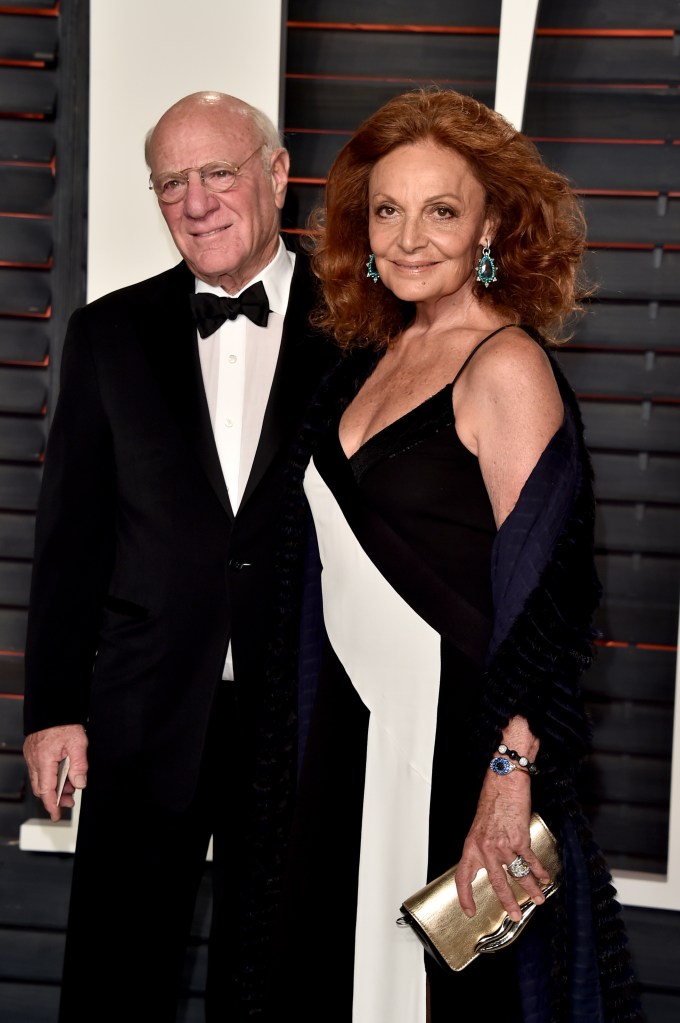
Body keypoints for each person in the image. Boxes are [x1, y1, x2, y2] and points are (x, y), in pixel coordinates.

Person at [263, 88, 645, 1022]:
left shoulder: (505, 363)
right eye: (387, 210)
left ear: (491, 225)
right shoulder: (367, 362)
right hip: (348, 732)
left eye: (441, 210)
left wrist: (509, 780)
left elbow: (549, 598)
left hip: (455, 746)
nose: (408, 238)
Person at [21, 90, 336, 1022]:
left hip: (303, 713)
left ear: (277, 173)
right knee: (116, 978)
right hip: (142, 708)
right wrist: (53, 709)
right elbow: (71, 539)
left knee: (274, 979)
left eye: (218, 172)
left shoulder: (363, 330)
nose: (195, 203)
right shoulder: (107, 334)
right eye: (170, 183)